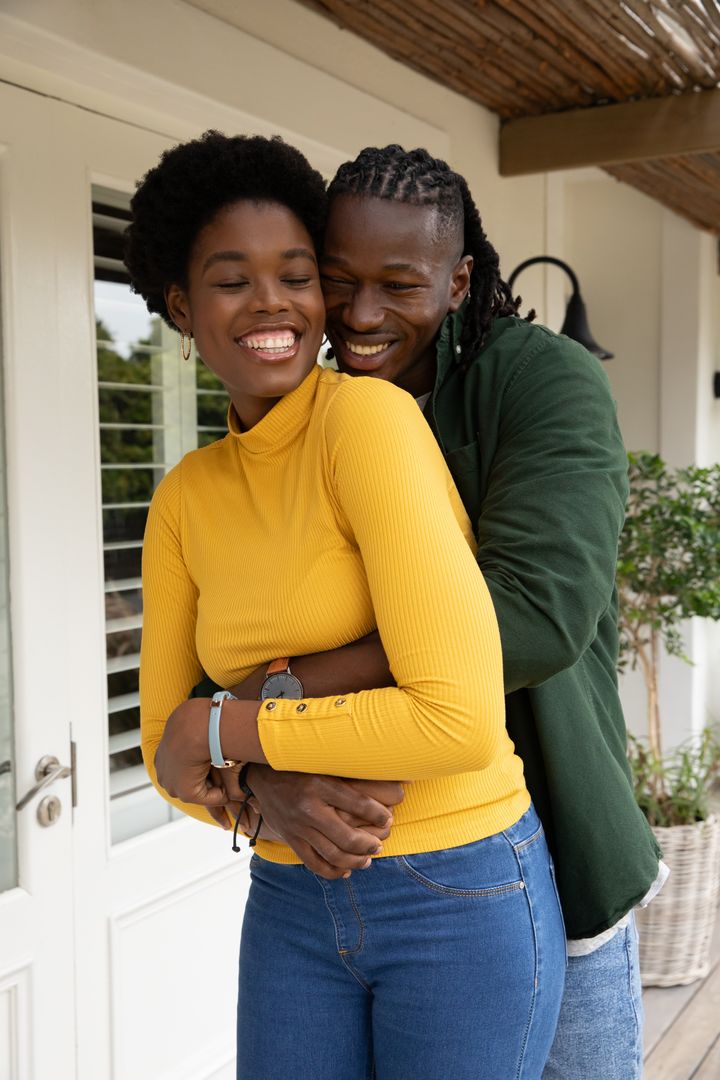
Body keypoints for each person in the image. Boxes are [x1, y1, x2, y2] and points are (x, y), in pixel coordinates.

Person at [212, 145, 665, 1080]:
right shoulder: (295, 414)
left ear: (459, 281)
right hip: (343, 881)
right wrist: (265, 781)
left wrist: (276, 703)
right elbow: (231, 631)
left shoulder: (541, 383)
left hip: (546, 857)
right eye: (337, 283)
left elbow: (537, 614)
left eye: (399, 285)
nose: (362, 316)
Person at [128, 131, 567, 1080]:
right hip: (287, 893)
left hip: (455, 883)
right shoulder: (184, 497)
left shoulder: (367, 423)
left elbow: (455, 720)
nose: (273, 303)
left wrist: (229, 727)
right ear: (180, 305)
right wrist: (255, 787)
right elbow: (164, 749)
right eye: (231, 279)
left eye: (295, 275)